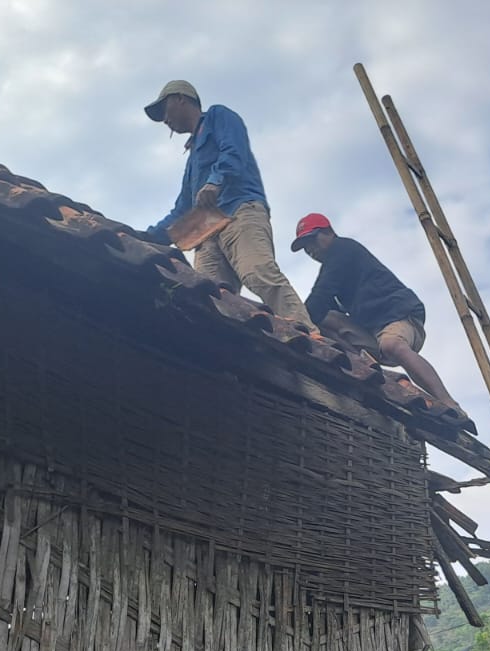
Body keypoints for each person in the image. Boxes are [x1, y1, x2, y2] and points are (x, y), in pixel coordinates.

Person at [142, 81, 313, 328]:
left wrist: (215, 181)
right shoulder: (192, 161)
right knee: (208, 294)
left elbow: (234, 151)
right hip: (208, 229)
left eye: (164, 110)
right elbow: (183, 209)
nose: (164, 120)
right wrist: (152, 236)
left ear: (181, 98)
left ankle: (307, 332)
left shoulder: (217, 116)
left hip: (238, 211)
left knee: (257, 272)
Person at [290, 214, 460, 411]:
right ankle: (363, 369)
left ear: (328, 232)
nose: (310, 249)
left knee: (392, 344)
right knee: (325, 319)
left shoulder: (343, 249)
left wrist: (295, 322)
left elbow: (321, 293)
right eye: (305, 247)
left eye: (312, 240)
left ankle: (448, 402)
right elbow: (320, 307)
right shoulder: (335, 267)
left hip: (401, 319)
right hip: (372, 336)